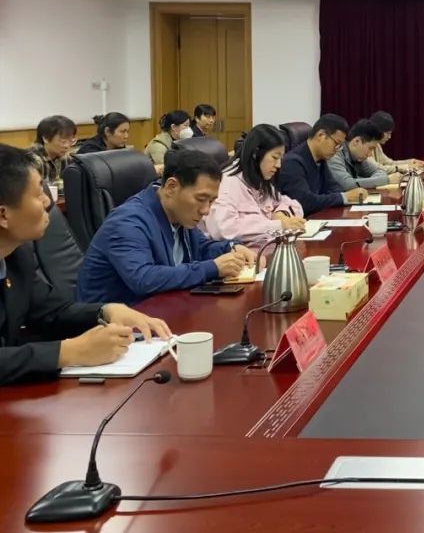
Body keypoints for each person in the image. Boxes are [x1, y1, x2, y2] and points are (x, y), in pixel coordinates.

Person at [0, 145, 171, 384]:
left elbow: (50, 313)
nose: (48, 201)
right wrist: (68, 352)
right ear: (3, 215)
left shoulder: (18, 255)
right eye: (38, 193)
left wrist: (105, 311)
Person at [76, 150, 256, 305]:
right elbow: (143, 278)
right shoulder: (127, 222)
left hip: (162, 310)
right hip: (113, 325)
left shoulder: (178, 213)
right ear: (171, 187)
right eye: (201, 199)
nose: (206, 210)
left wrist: (231, 248)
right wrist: (212, 268)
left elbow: (201, 248)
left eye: (211, 201)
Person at [204, 124, 305, 247]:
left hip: (263, 248)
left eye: (280, 159)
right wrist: (278, 225)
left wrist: (281, 214)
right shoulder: (228, 183)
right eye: (274, 157)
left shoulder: (258, 178)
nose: (278, 165)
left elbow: (293, 205)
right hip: (236, 253)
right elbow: (223, 229)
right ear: (256, 154)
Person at [277, 114, 367, 216]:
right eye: (336, 143)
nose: (337, 149)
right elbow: (305, 202)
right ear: (321, 135)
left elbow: (334, 189)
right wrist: (345, 197)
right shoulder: (292, 163)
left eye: (340, 146)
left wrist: (347, 196)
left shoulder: (321, 159)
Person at [329, 119, 395, 191]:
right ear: (356, 141)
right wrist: (386, 180)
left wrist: (359, 181)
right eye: (370, 148)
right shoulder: (334, 155)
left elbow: (380, 171)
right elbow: (347, 184)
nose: (370, 154)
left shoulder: (358, 158)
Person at [29, 115, 76, 183]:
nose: (67, 146)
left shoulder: (66, 158)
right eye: (63, 141)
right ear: (46, 138)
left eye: (71, 141)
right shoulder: (31, 160)